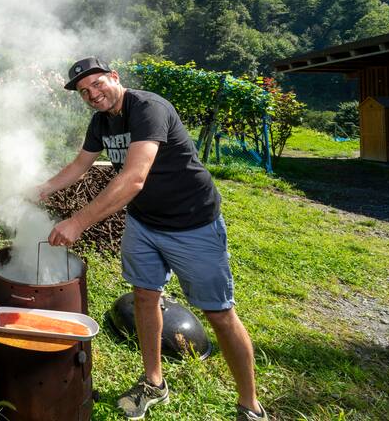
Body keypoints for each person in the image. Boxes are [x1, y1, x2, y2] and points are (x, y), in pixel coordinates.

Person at [36, 57, 267, 421]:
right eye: (84, 92)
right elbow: (81, 164)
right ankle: (154, 383)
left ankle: (250, 406)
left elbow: (134, 179)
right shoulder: (101, 122)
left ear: (114, 77)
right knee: (145, 297)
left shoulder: (148, 108)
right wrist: (44, 189)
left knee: (219, 314)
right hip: (144, 223)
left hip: (192, 224)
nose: (92, 94)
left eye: (97, 84)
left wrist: (77, 222)